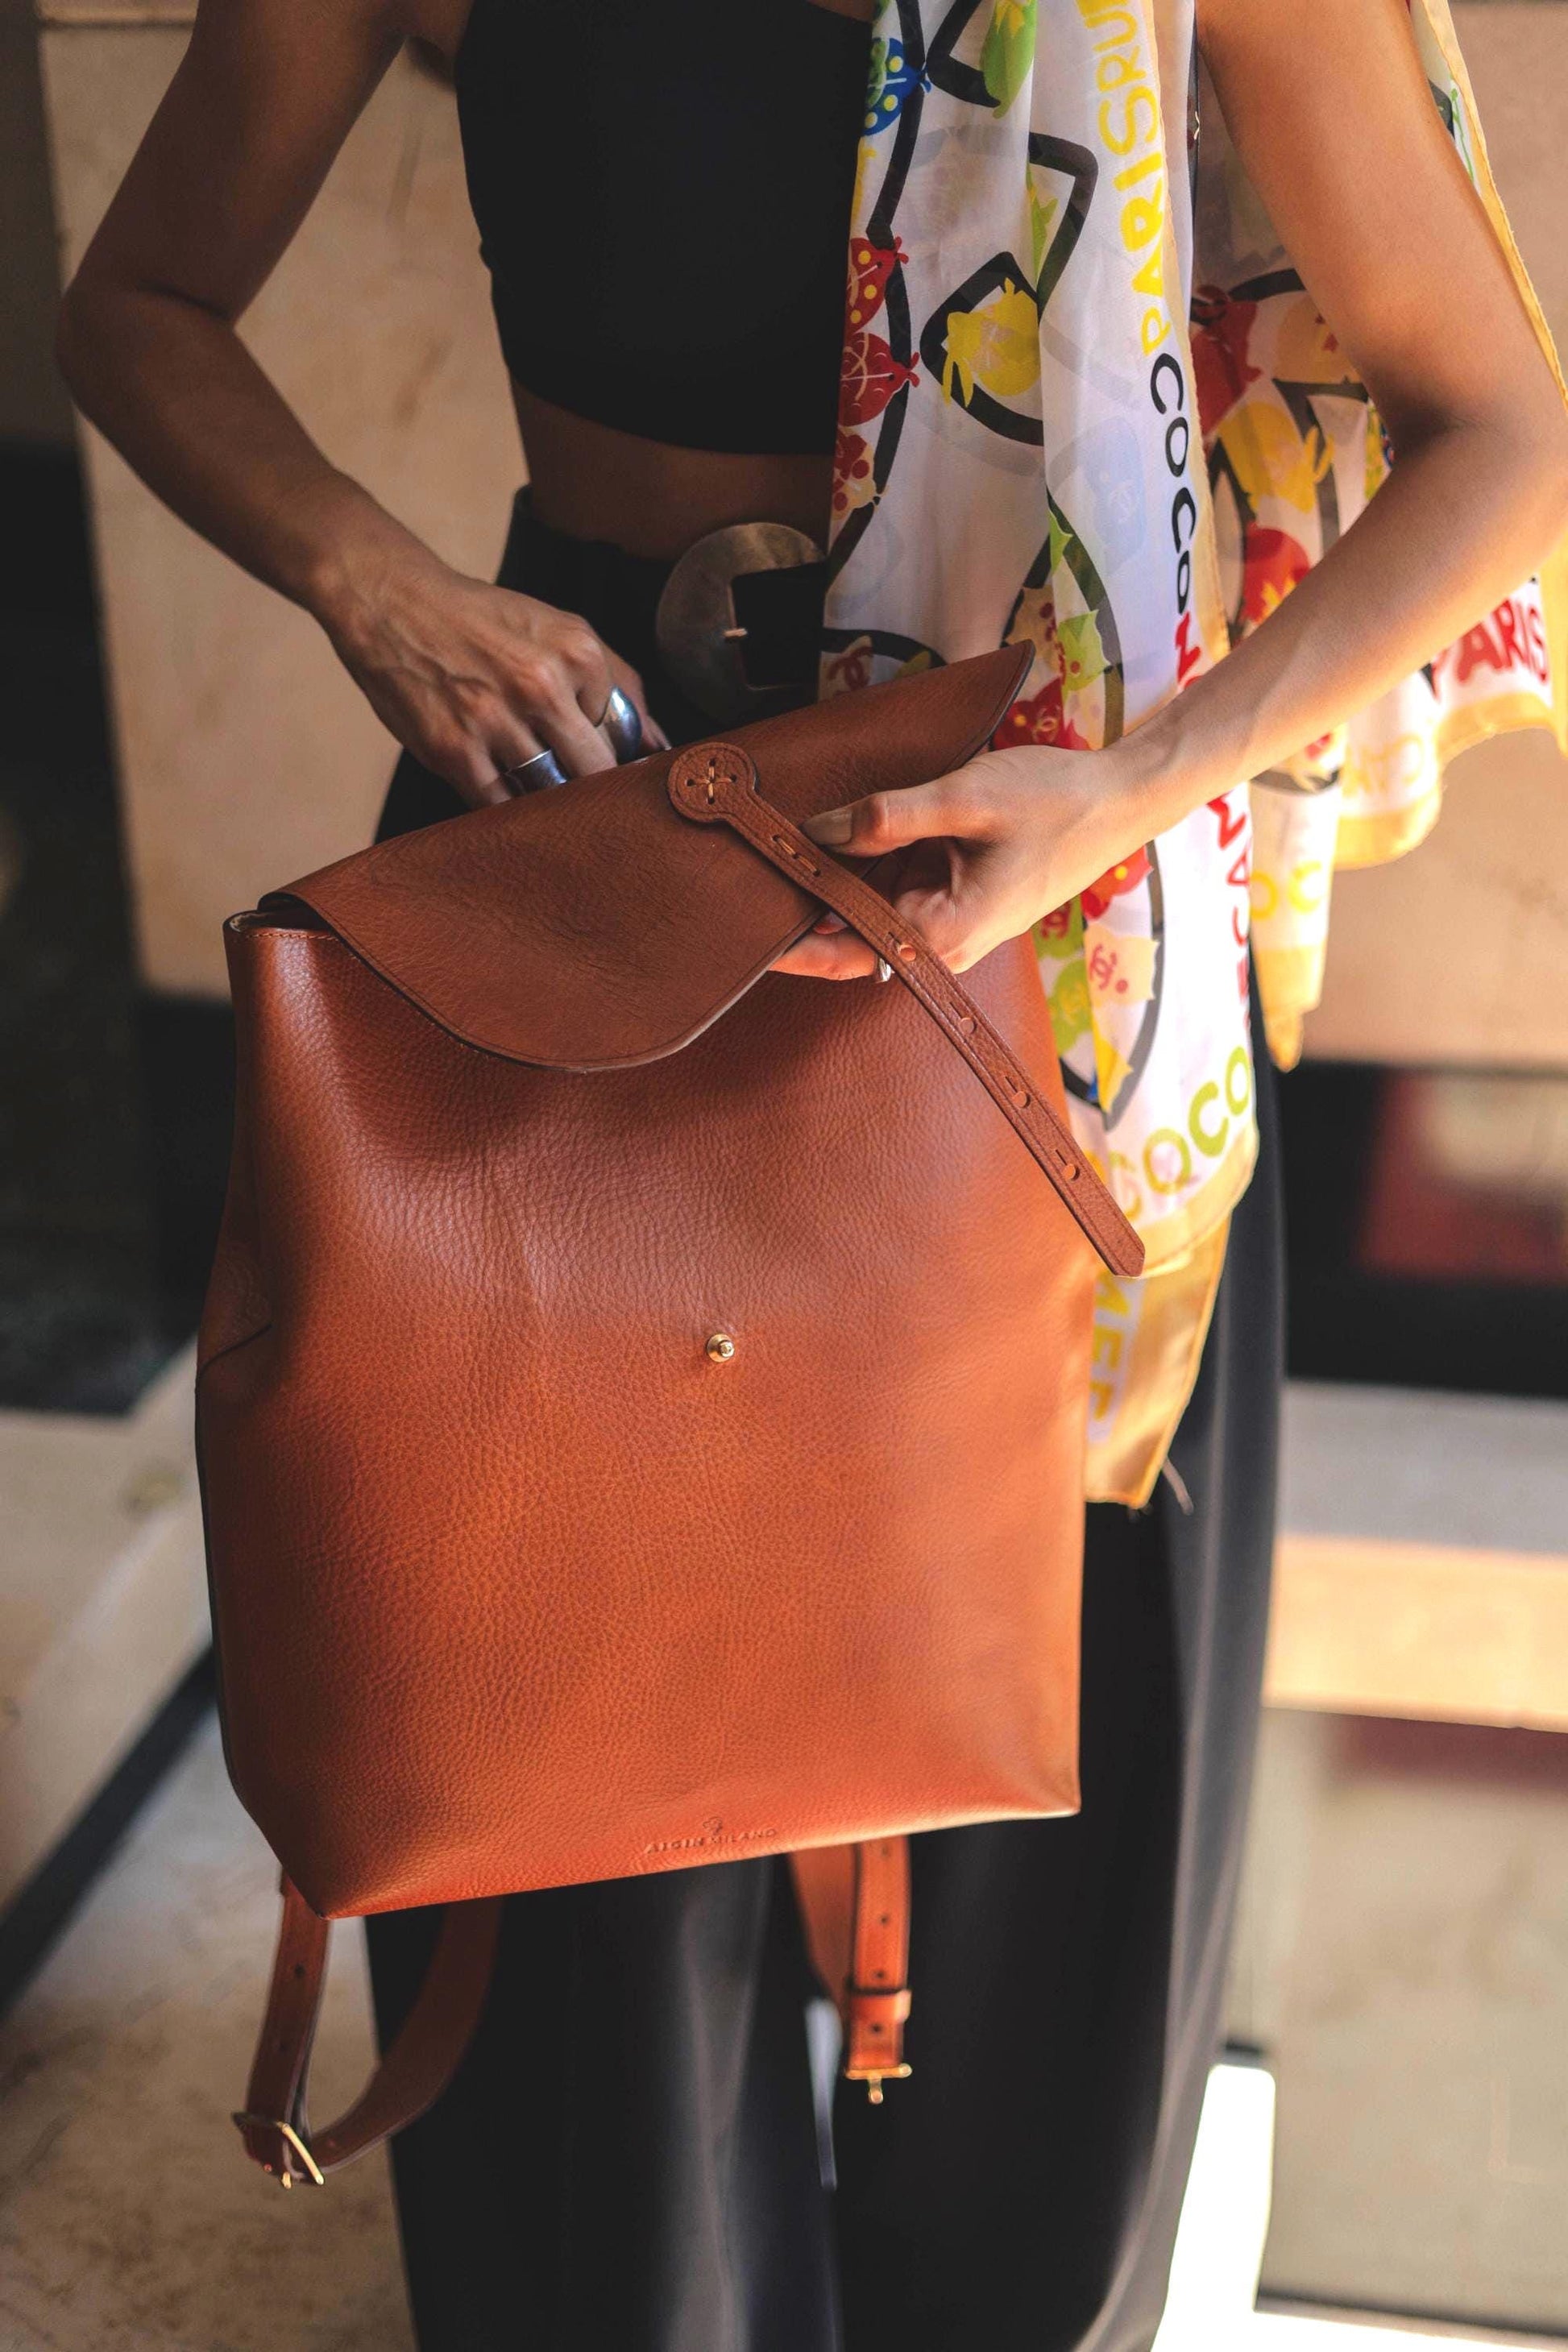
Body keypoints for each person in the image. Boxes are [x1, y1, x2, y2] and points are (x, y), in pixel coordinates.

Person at [56, 2, 1568, 2346]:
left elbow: (1504, 432)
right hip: (577, 826)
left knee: (1053, 1768)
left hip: (1038, 874)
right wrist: (378, 586)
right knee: (557, 1766)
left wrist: (1139, 780)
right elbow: (141, 302)